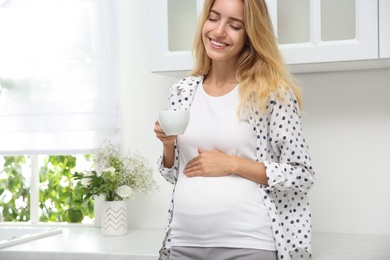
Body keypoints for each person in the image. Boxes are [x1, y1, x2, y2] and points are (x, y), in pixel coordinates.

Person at [154, 0, 315, 259]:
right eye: (214, 18)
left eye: (235, 25)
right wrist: (166, 144)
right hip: (182, 242)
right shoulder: (182, 91)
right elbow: (175, 175)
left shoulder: (272, 93)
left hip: (249, 244)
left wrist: (231, 163)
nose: (219, 31)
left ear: (250, 35)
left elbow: (301, 174)